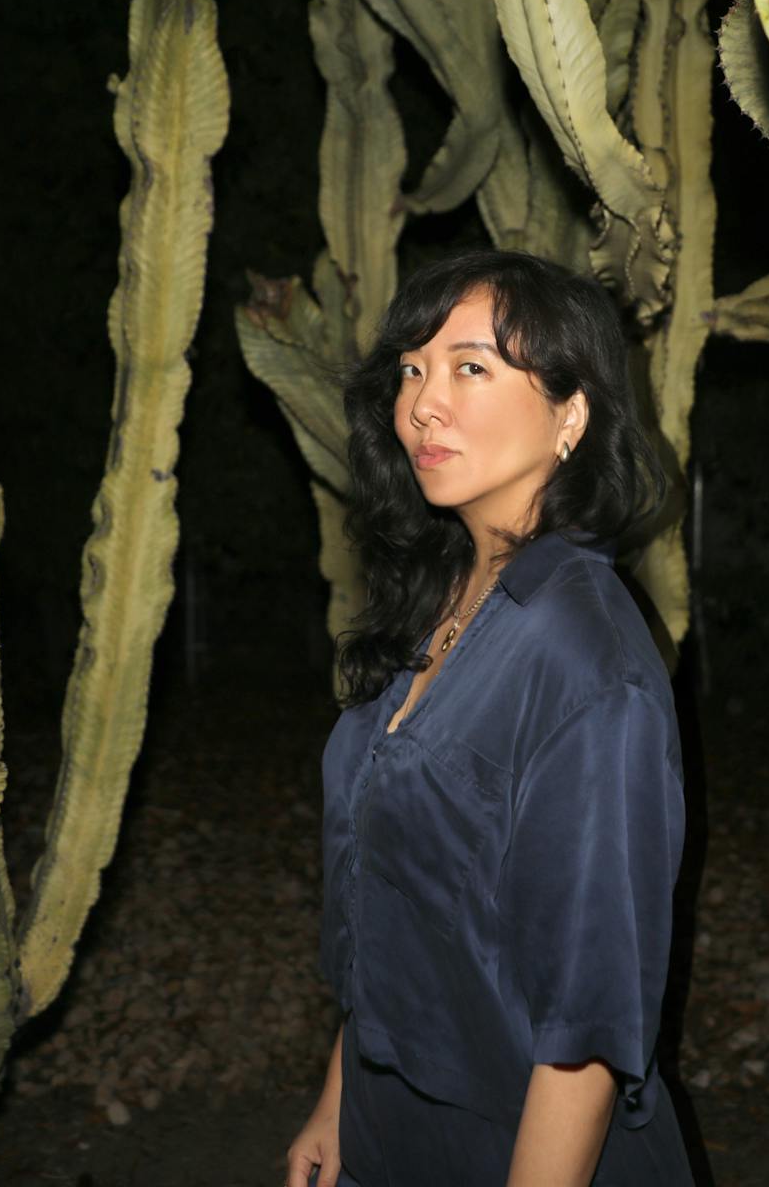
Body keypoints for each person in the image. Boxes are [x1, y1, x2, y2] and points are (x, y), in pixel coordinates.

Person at [284, 249, 692, 1187]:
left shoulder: (585, 663)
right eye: (411, 370)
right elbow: (404, 899)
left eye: (470, 367)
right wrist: (339, 1103)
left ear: (571, 415)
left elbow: (586, 1028)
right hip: (388, 1131)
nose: (424, 404)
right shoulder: (445, 602)